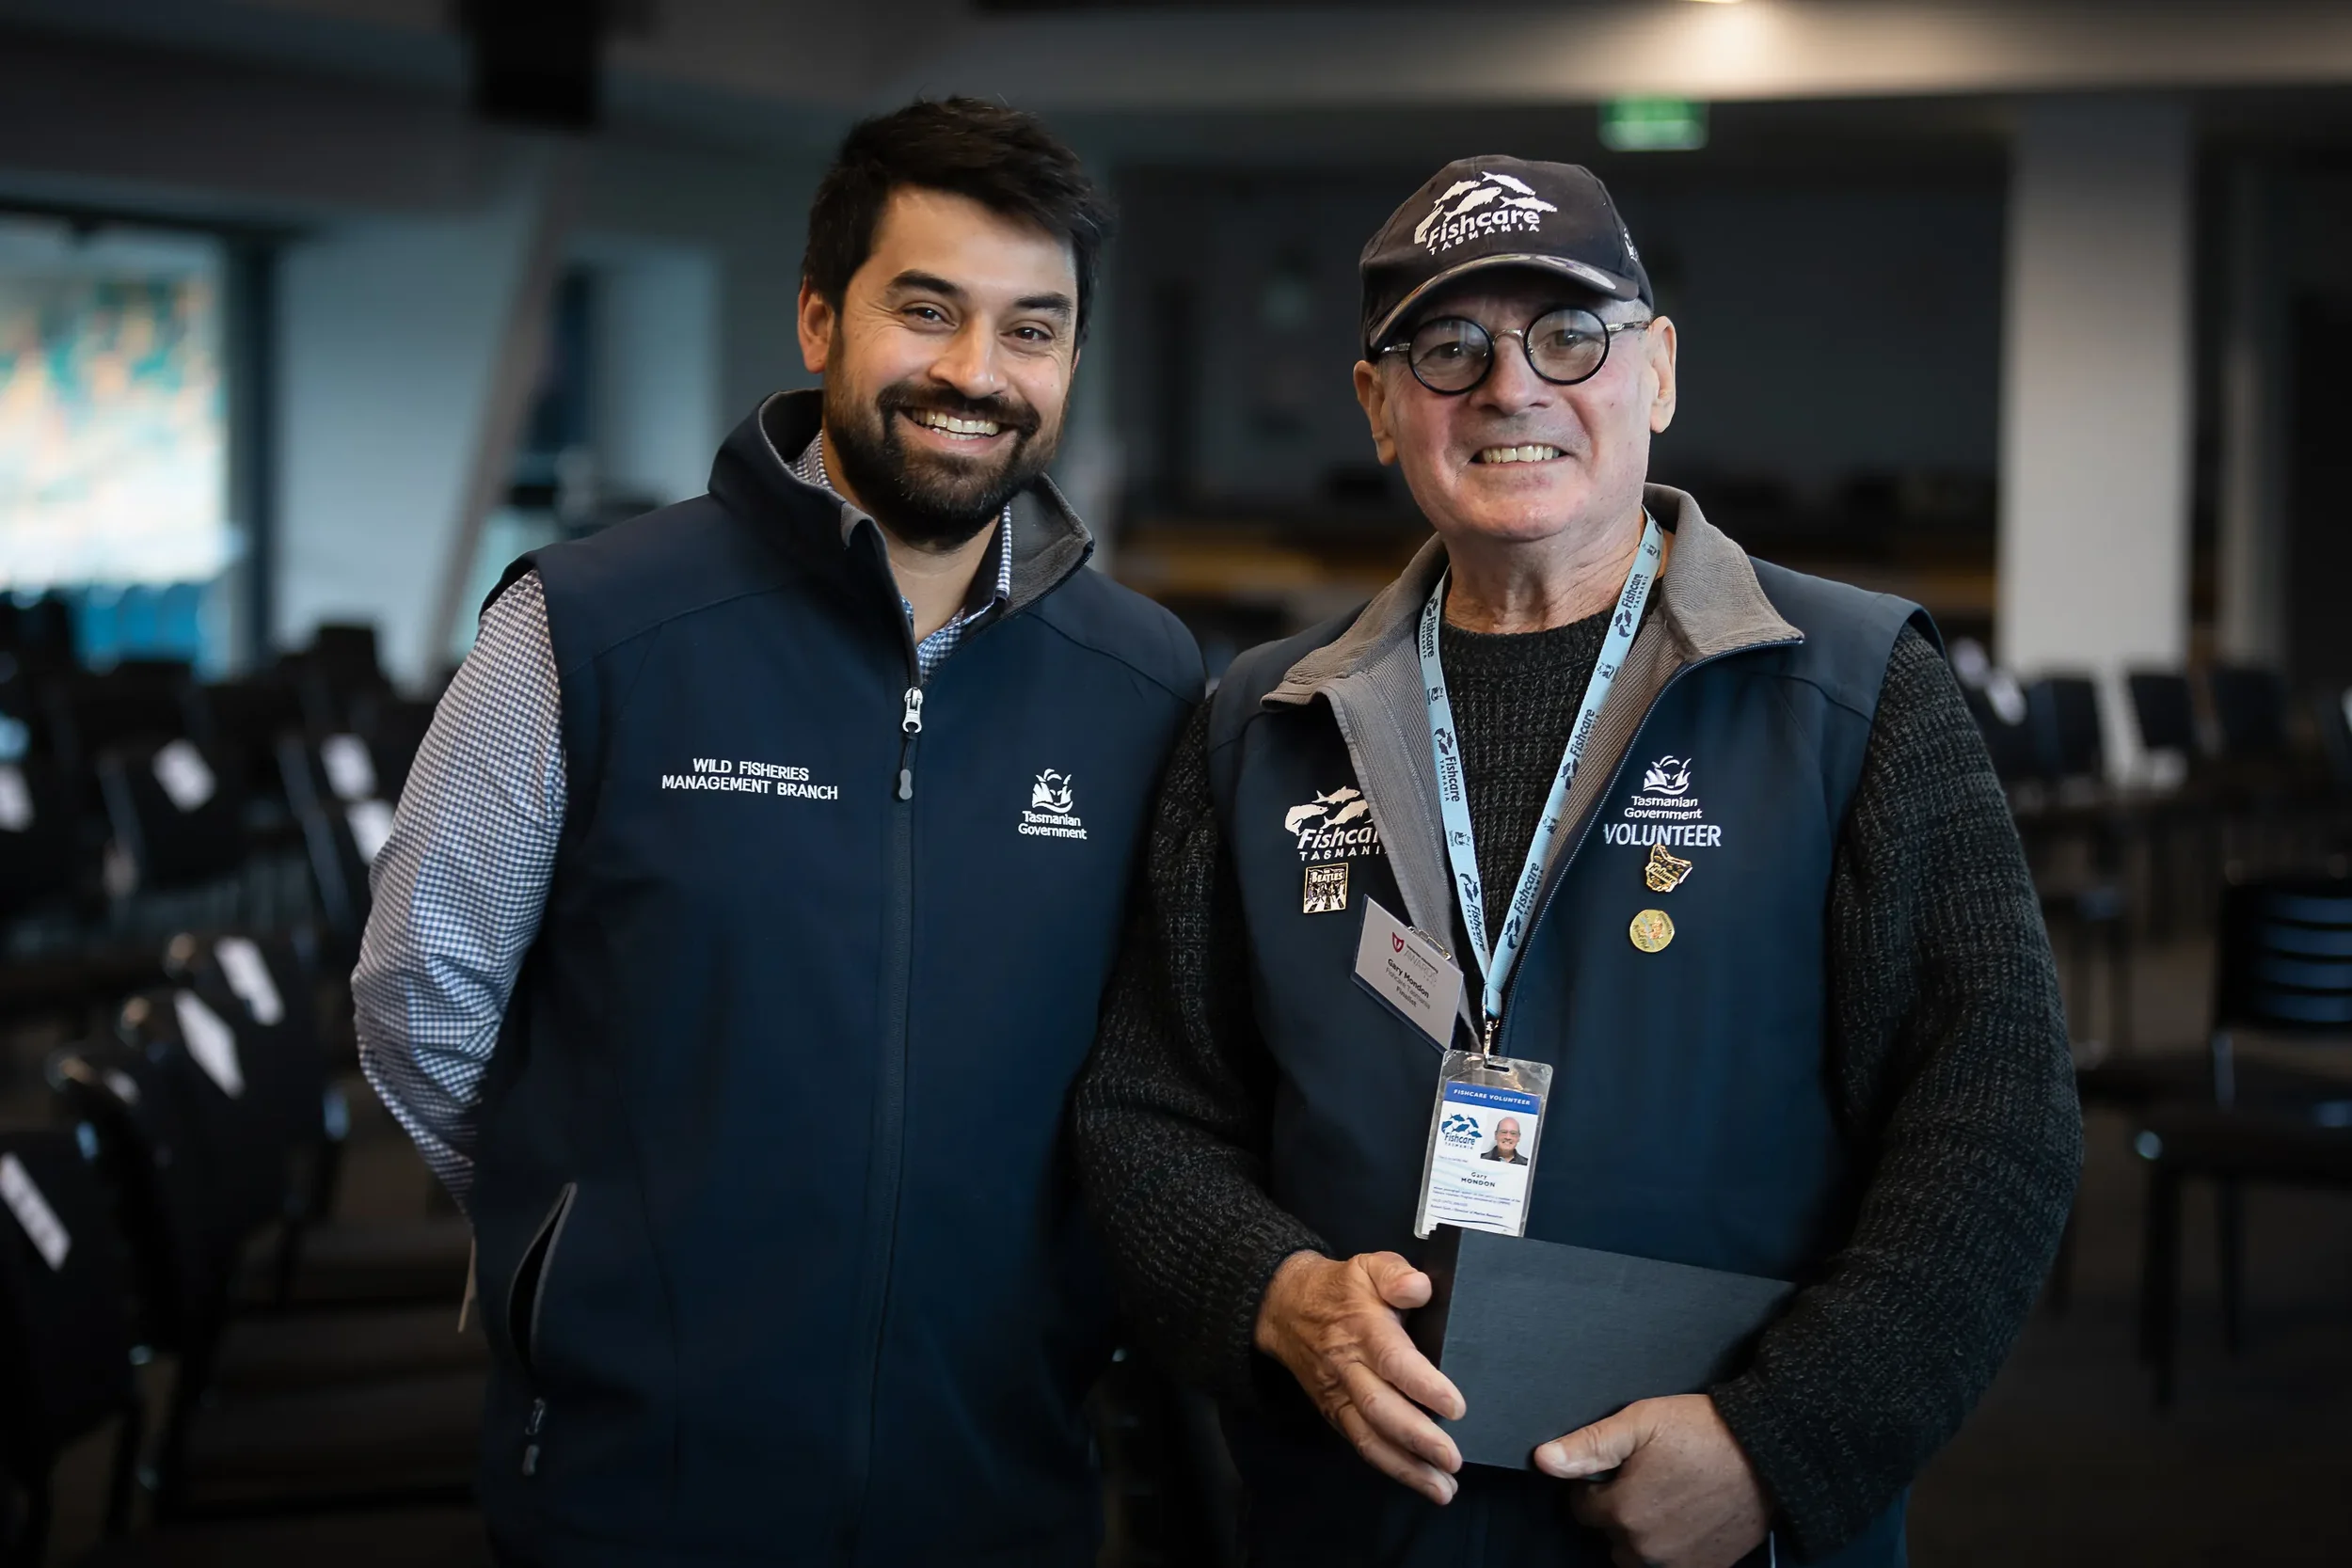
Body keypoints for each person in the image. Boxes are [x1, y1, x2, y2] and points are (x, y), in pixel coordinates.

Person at [1073, 156, 2080, 1568]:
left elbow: (1996, 1123)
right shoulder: (1261, 721)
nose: (1510, 387)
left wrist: (1780, 1444)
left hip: (1722, 1528)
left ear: (1657, 371)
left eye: (1570, 335)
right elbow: (1144, 1109)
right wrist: (1272, 1288)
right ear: (1378, 404)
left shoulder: (1853, 690)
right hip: (1357, 1517)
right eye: (1448, 346)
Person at [356, 99, 1201, 1567]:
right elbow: (422, 990)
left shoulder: (1144, 683)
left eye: (1031, 328)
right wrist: (584, 1226)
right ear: (819, 317)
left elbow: (1161, 1072)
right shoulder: (590, 624)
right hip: (642, 1480)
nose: (974, 373)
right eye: (924, 309)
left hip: (997, 1474)